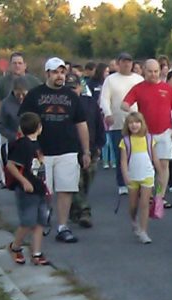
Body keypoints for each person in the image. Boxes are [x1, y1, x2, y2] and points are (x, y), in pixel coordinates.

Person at [18, 57, 91, 244]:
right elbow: (24, 123)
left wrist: (86, 151)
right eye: (56, 72)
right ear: (47, 73)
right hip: (41, 151)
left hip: (67, 149)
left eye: (62, 72)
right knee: (44, 191)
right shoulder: (35, 95)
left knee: (66, 189)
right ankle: (43, 220)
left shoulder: (72, 96)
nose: (60, 76)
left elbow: (81, 124)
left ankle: (63, 227)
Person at [121, 59, 172, 217]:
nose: (154, 74)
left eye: (156, 71)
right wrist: (129, 111)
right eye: (150, 71)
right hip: (145, 134)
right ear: (144, 71)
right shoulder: (138, 88)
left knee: (163, 166)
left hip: (164, 132)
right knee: (145, 165)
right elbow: (125, 103)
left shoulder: (166, 88)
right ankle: (145, 194)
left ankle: (159, 196)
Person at [5, 112, 51, 266]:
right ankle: (15, 247)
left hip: (39, 189)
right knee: (27, 222)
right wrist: (24, 181)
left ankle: (36, 253)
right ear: (39, 127)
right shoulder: (23, 144)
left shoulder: (36, 144)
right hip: (27, 192)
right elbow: (11, 165)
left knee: (40, 222)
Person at [99, 53, 143, 191]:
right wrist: (108, 113)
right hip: (117, 123)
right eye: (124, 62)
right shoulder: (110, 80)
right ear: (118, 63)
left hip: (137, 123)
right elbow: (104, 99)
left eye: (129, 62)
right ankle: (122, 183)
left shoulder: (139, 79)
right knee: (120, 154)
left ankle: (138, 180)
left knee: (137, 153)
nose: (127, 64)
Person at [66, 73, 104, 229]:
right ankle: (85, 211)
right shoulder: (62, 105)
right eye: (68, 88)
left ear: (80, 87)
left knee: (86, 182)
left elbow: (98, 124)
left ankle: (74, 209)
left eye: (74, 88)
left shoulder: (90, 102)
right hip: (69, 149)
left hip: (91, 148)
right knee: (75, 183)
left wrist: (100, 145)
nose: (72, 91)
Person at [118, 112, 156, 244]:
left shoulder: (149, 139)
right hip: (132, 175)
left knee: (144, 204)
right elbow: (123, 161)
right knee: (133, 204)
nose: (134, 125)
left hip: (147, 174)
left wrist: (161, 175)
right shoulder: (125, 141)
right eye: (131, 122)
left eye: (137, 122)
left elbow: (154, 159)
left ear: (142, 123)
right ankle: (134, 220)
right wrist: (125, 176)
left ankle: (143, 231)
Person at [0, 77, 29, 145]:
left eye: (23, 94)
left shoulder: (32, 101)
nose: (21, 97)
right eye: (18, 95)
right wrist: (14, 136)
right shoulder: (6, 104)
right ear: (13, 91)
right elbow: (0, 126)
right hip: (13, 143)